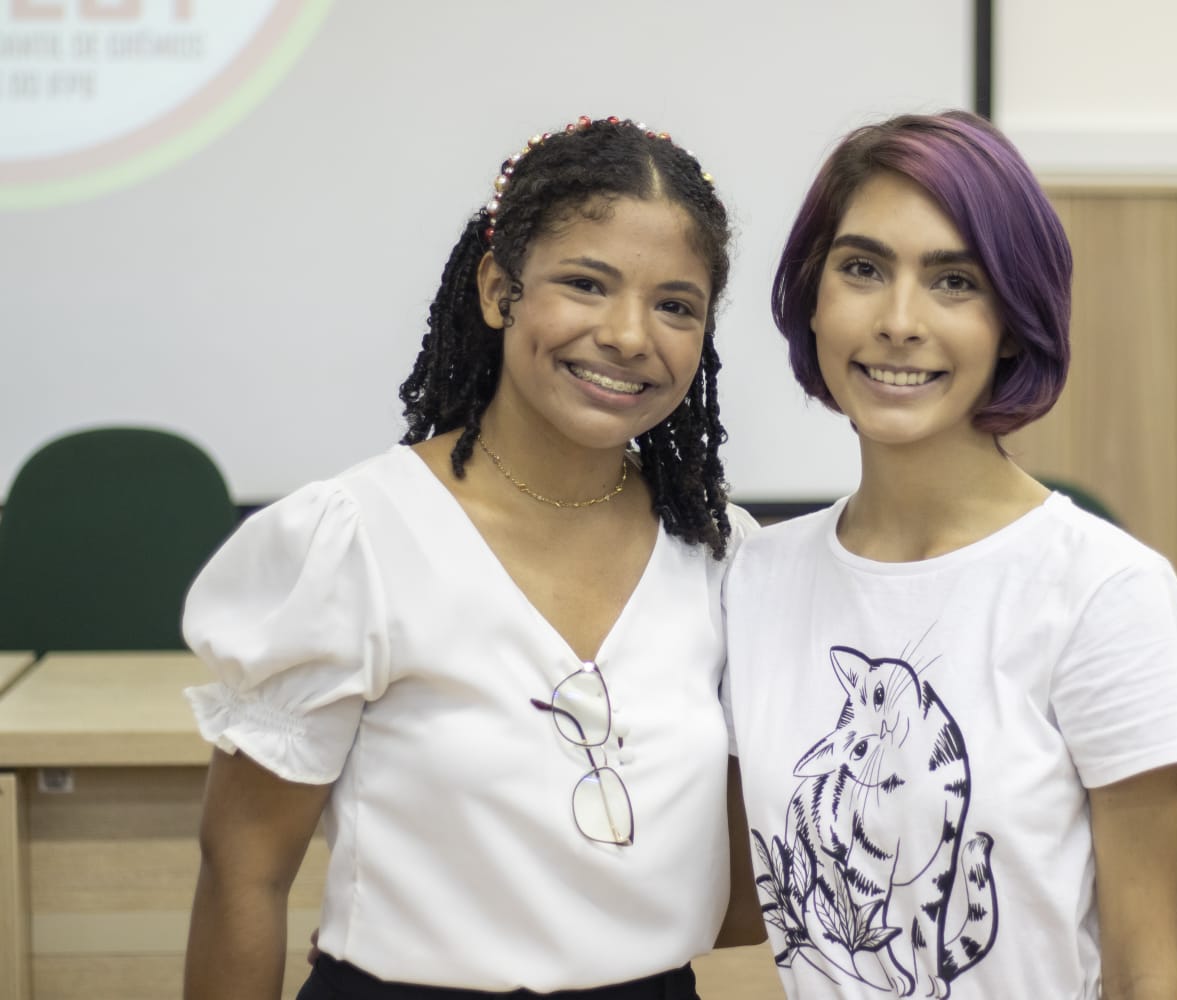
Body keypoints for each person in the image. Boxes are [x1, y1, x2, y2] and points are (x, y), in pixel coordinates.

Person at [181, 115, 761, 1000]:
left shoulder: (724, 555)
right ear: (499, 291)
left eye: (675, 305)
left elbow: (738, 890)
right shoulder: (359, 537)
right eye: (585, 283)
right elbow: (242, 871)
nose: (629, 335)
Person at [721, 111, 1177, 999]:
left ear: (1014, 321)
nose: (899, 321)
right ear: (814, 294)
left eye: (954, 281)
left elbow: (1150, 976)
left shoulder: (1102, 588)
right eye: (863, 269)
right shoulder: (753, 579)